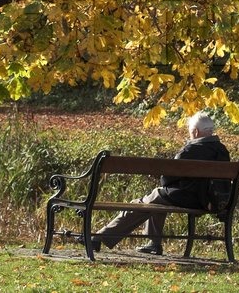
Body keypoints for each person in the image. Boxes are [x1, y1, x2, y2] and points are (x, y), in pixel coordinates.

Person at [90, 110, 230, 256]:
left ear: (195, 132)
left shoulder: (191, 149)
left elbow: (167, 179)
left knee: (148, 200)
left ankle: (99, 237)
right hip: (213, 201)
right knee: (156, 199)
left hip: (189, 198)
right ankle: (152, 243)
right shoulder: (222, 151)